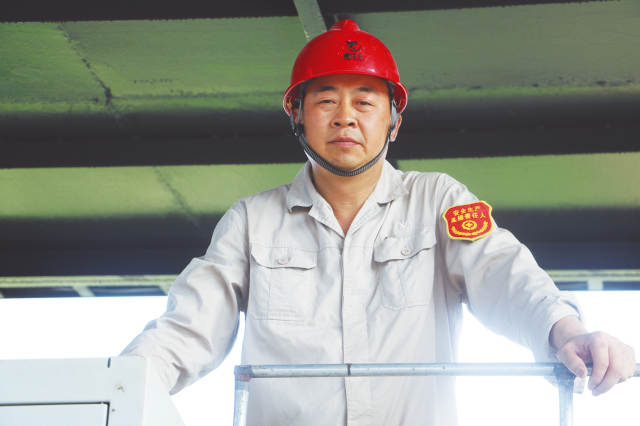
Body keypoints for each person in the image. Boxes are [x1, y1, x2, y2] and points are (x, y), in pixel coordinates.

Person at [122, 19, 635, 425]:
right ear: (296, 115)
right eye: (326, 100)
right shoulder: (252, 222)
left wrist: (566, 332)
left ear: (394, 120)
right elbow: (187, 330)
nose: (345, 116)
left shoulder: (439, 201)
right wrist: (116, 386)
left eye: (365, 102)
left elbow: (503, 273)